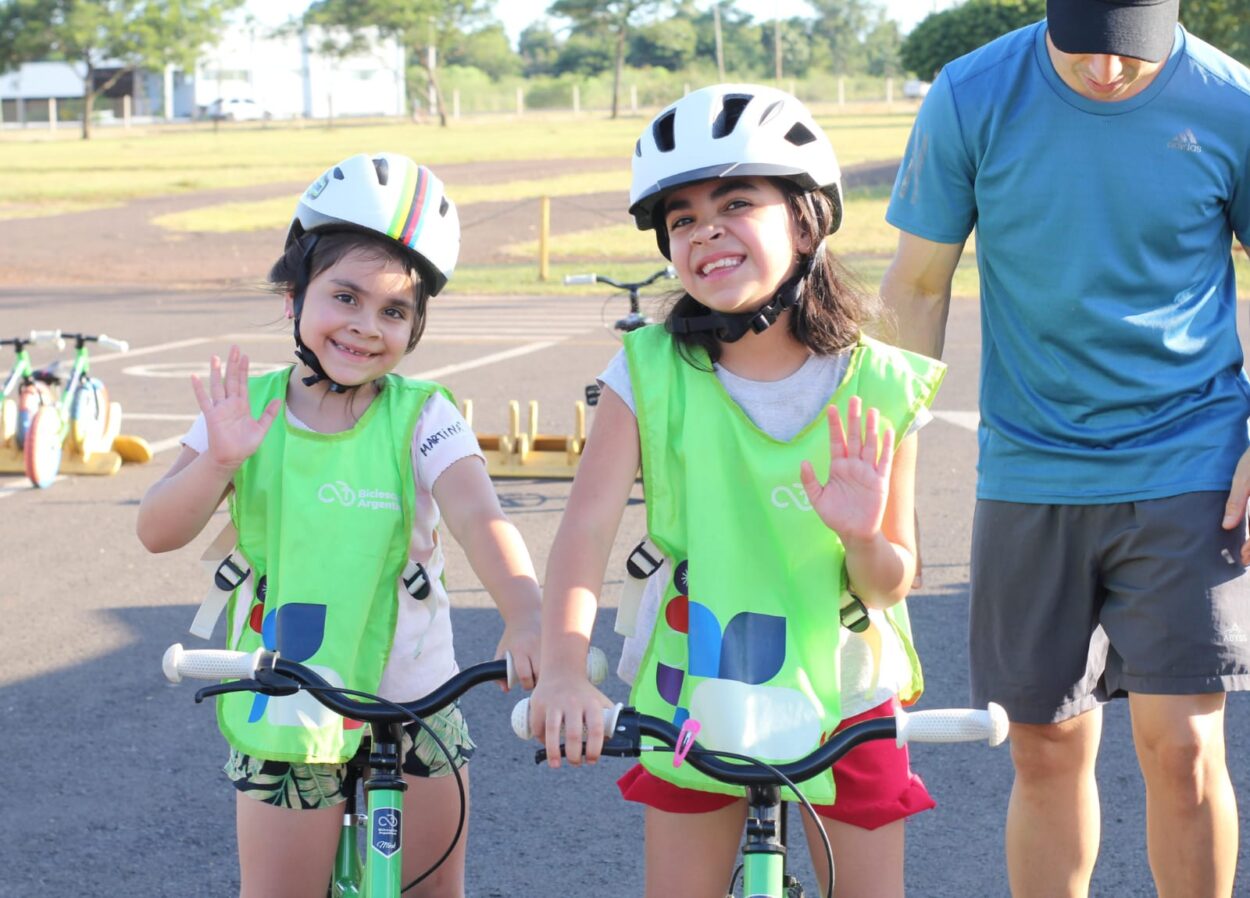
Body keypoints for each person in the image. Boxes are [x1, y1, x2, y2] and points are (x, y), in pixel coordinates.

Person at [528, 84, 946, 898]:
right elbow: (583, 532)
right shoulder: (647, 370)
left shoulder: (880, 385)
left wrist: (863, 539)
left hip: (846, 698)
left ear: (805, 218)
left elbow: (895, 579)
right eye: (681, 218)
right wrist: (565, 671)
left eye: (736, 202)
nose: (704, 230)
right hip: (699, 690)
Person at [880, 1, 1250, 896]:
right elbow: (918, 286)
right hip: (1029, 467)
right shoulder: (973, 95)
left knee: (1184, 744)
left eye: (1132, 55)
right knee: (1044, 743)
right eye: (1085, 50)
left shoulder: (1232, 103)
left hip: (1189, 457)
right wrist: (893, 479)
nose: (1108, 73)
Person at [136, 152, 542, 898]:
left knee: (428, 888)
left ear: (417, 326)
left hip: (415, 698)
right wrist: (215, 462)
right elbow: (157, 530)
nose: (364, 327)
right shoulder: (244, 410)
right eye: (345, 297)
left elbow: (482, 518)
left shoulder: (423, 415)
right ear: (294, 297)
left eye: (393, 311)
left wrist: (527, 616)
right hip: (285, 693)